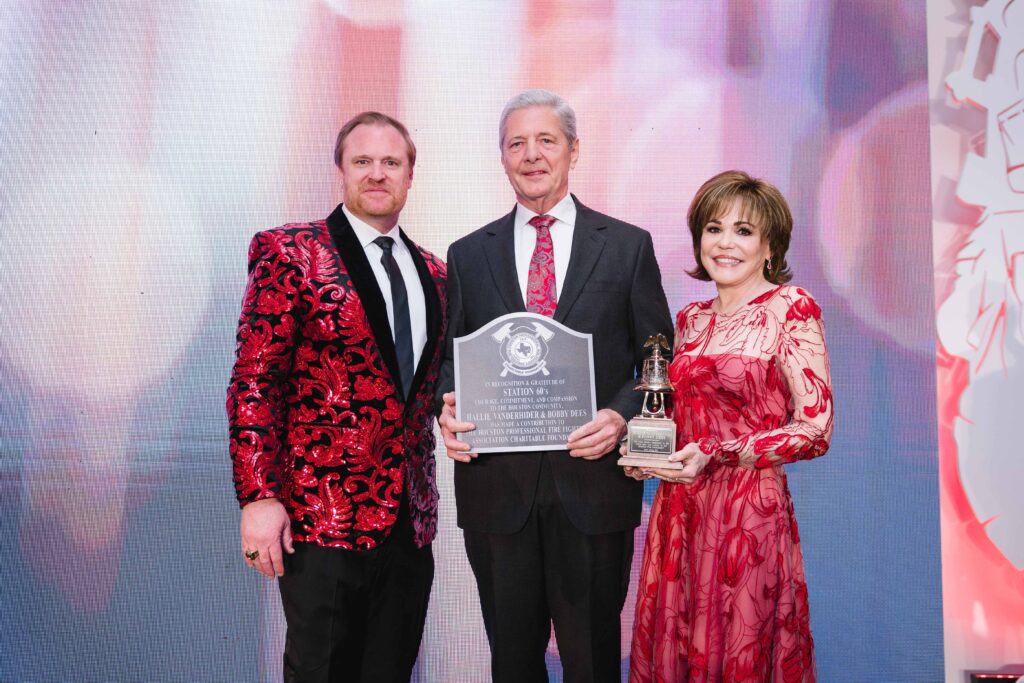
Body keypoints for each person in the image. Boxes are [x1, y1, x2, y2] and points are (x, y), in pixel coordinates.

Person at [437, 89, 673, 683]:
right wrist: (448, 409)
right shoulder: (467, 254)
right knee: (512, 663)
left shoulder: (626, 246)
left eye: (546, 140)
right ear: (502, 157)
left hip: (593, 488)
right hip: (497, 489)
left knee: (592, 662)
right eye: (517, 142)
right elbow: (450, 361)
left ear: (573, 150)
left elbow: (659, 354)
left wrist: (621, 417)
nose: (531, 154)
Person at [226, 111, 446, 682]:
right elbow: (255, 381)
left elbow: (433, 392)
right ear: (341, 172)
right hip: (320, 518)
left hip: (408, 523)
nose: (377, 173)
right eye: (363, 161)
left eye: (391, 162)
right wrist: (257, 497)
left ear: (409, 175)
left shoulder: (437, 274)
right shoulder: (290, 253)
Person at [625, 170, 833, 683]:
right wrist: (645, 451)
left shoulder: (791, 308)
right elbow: (676, 416)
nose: (725, 243)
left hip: (748, 514)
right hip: (680, 513)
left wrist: (717, 452)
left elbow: (816, 427)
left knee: (741, 649)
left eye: (744, 231)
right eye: (714, 228)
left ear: (769, 246)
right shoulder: (690, 318)